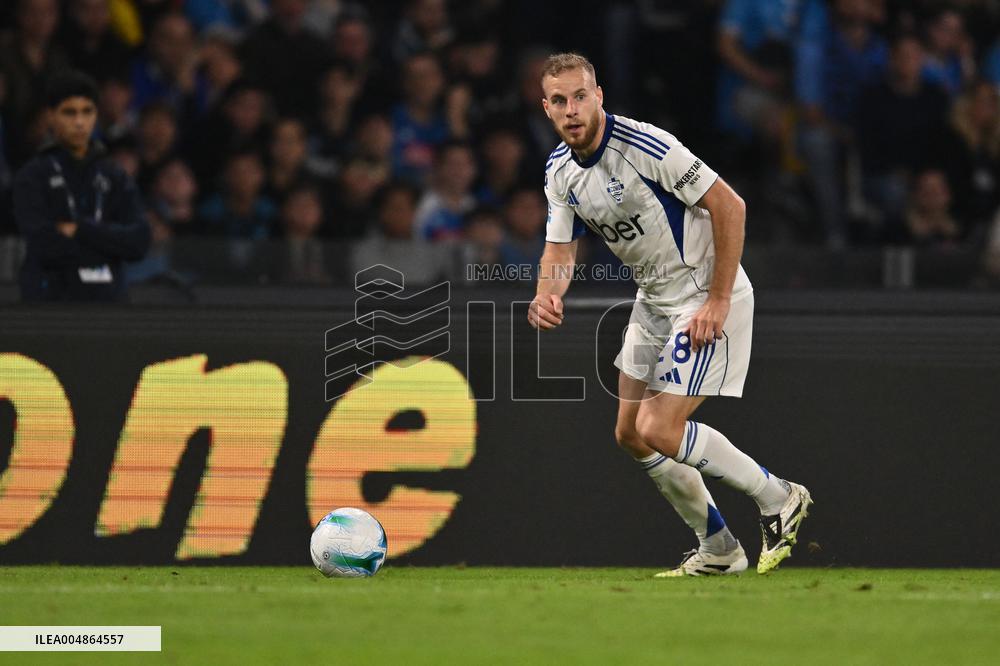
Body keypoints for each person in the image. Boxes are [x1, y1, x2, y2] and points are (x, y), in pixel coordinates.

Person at [527, 53, 811, 577]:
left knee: (659, 426)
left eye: (580, 96)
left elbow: (731, 206)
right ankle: (720, 549)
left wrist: (718, 300)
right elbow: (560, 250)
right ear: (546, 108)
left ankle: (779, 496)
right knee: (630, 434)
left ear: (599, 96)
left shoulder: (645, 146)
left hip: (703, 293)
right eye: (560, 100)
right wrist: (549, 293)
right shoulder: (560, 172)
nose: (572, 109)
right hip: (653, 299)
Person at [13, 69, 150, 301]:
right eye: (69, 113)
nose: (79, 122)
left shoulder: (115, 175)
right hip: (50, 307)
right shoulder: (32, 176)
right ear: (51, 116)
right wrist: (108, 246)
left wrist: (80, 229)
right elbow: (43, 244)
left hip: (108, 306)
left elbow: (139, 241)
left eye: (87, 112)